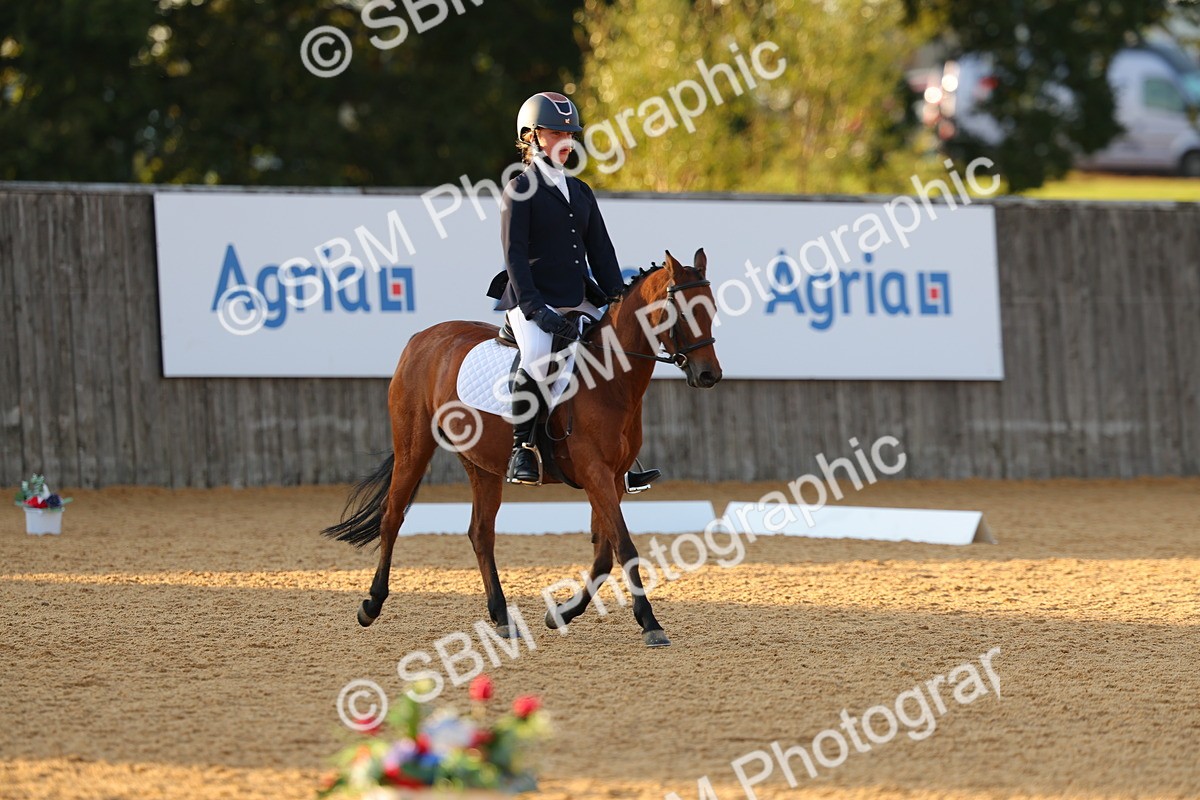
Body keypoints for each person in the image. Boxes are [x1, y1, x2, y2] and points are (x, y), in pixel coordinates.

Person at [487, 91, 630, 486]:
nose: (567, 141)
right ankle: (522, 448)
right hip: (530, 298)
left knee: (615, 354)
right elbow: (514, 257)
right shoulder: (519, 188)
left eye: (571, 133)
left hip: (576, 297)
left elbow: (601, 251)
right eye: (556, 133)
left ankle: (622, 452)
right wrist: (536, 310)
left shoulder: (581, 191)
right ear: (532, 136)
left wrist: (618, 297)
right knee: (537, 355)